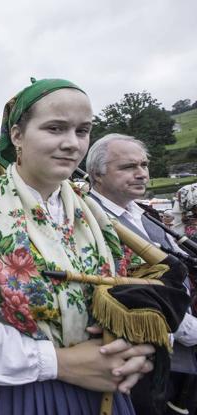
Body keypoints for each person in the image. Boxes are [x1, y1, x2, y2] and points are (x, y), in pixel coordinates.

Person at [0, 79, 155, 415]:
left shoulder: (91, 211)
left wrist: (130, 345)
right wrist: (58, 363)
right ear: (17, 135)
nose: (72, 143)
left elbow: (122, 289)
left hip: (98, 391)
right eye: (55, 128)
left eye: (82, 131)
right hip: (17, 395)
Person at [86, 133, 197, 415]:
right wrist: (188, 329)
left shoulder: (143, 212)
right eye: (128, 167)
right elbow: (125, 288)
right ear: (97, 175)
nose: (142, 174)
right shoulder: (89, 218)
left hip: (179, 353)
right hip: (140, 358)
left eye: (144, 165)